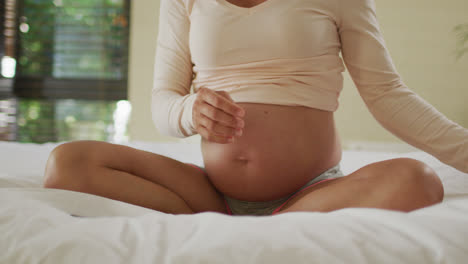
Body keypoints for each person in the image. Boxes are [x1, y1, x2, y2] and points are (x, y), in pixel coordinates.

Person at [43, 0, 467, 216]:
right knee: (68, 164)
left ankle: (286, 218)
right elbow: (162, 102)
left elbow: (388, 95)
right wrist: (190, 111)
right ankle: (237, 220)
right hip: (210, 194)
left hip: (315, 191)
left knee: (418, 180)